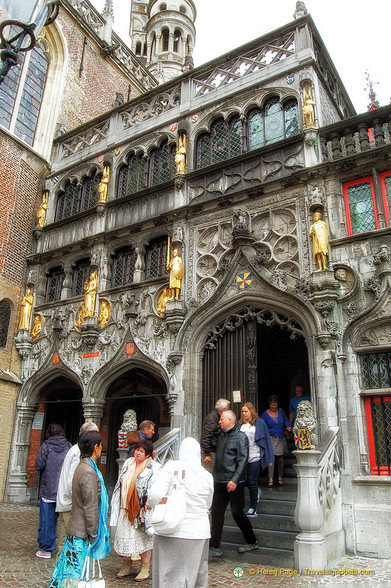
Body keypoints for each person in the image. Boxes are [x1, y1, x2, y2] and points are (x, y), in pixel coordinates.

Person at [148, 437, 213, 588]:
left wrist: (164, 501)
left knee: (168, 576)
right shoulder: (207, 476)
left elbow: (154, 495)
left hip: (172, 530)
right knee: (196, 575)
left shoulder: (172, 467)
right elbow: (208, 504)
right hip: (199, 532)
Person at [49, 430, 110, 587]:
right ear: (96, 447)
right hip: (81, 532)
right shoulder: (88, 471)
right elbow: (90, 505)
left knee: (68, 571)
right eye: (100, 444)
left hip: (75, 528)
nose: (102, 447)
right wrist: (94, 534)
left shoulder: (82, 467)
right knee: (75, 574)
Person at [209, 410, 259, 557]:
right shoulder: (221, 436)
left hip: (233, 482)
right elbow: (217, 457)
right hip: (220, 480)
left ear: (230, 420)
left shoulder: (240, 437)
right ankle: (215, 545)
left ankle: (252, 541)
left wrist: (235, 480)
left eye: (222, 419)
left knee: (237, 512)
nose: (219, 421)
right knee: (217, 512)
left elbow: (242, 460)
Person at [110, 440, 160, 582]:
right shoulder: (128, 463)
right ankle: (126, 564)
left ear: (148, 454)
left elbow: (156, 486)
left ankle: (145, 567)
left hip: (143, 510)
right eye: (137, 450)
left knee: (144, 539)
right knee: (126, 537)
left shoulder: (153, 468)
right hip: (126, 507)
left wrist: (150, 500)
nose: (137, 452)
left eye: (141, 451)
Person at [56, 422, 99, 546]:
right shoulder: (78, 452)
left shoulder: (76, 450)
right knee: (69, 545)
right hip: (71, 506)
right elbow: (72, 482)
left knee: (66, 543)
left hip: (69, 504)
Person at [35, 424, 71, 559]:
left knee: (47, 519)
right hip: (63, 489)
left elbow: (39, 464)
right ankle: (65, 546)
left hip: (48, 489)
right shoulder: (68, 446)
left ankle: (46, 548)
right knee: (64, 519)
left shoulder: (45, 446)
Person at [240, 402, 274, 516]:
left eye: (246, 411)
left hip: (255, 455)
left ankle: (253, 507)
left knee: (252, 480)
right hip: (243, 457)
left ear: (251, 411)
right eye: (243, 411)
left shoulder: (259, 423)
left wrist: (270, 458)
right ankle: (257, 492)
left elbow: (267, 440)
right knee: (244, 480)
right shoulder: (241, 424)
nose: (244, 414)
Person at [261, 395, 291, 488]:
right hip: (271, 438)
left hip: (280, 438)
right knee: (272, 459)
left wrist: (288, 426)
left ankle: (280, 477)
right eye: (272, 405)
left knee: (280, 459)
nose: (274, 407)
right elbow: (262, 426)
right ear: (269, 404)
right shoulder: (265, 415)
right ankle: (270, 478)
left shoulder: (281, 412)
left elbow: (286, 421)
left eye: (275, 405)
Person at [200, 398, 230, 471]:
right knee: (209, 473)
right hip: (211, 452)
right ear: (222, 409)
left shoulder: (216, 417)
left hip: (214, 451)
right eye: (227, 409)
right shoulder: (213, 419)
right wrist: (207, 454)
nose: (228, 411)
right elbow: (206, 437)